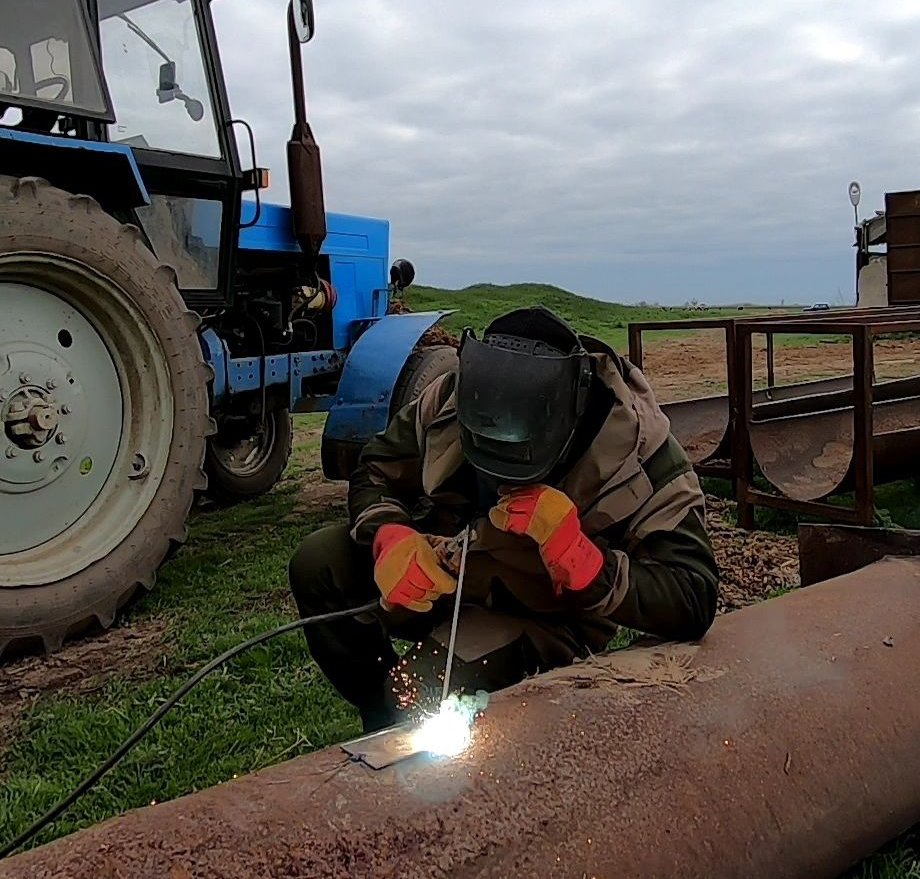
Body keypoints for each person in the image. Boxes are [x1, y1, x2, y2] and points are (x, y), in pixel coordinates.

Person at [289, 306, 720, 731]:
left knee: (419, 695)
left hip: (544, 613)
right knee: (320, 562)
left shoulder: (639, 453)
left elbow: (693, 595)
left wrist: (582, 559)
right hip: (451, 577)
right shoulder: (453, 396)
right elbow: (377, 467)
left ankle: (406, 723)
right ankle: (380, 721)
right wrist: (390, 535)